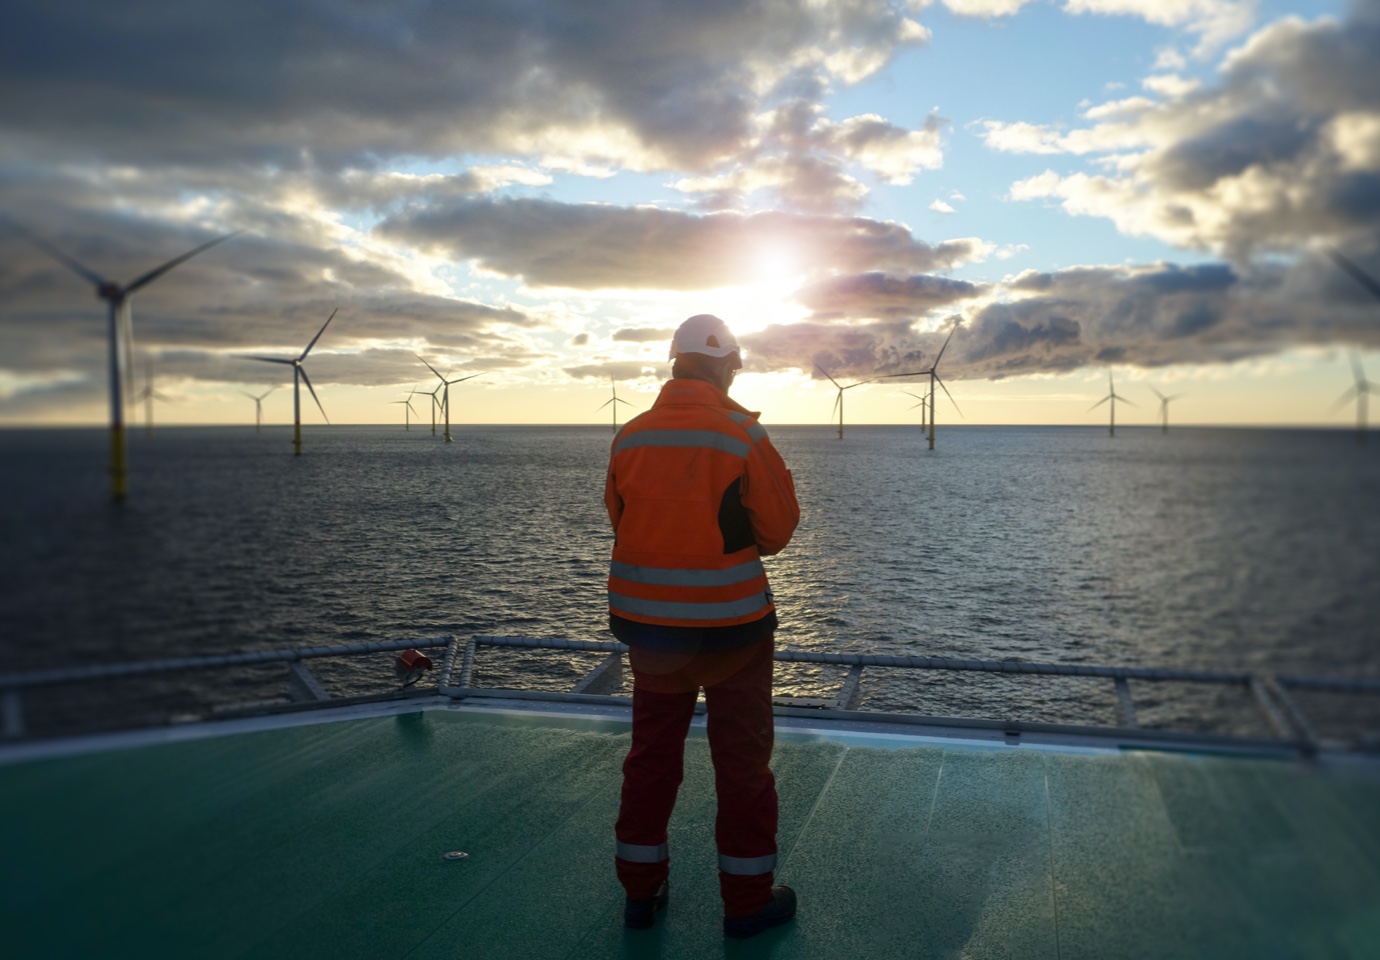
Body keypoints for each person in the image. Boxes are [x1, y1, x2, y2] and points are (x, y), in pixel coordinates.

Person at [605, 314, 801, 939]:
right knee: (742, 766)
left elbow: (623, 519)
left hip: (651, 634)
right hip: (732, 631)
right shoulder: (743, 436)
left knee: (651, 760)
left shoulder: (630, 438)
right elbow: (778, 531)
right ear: (725, 367)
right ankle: (746, 904)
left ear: (674, 364)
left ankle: (641, 892)